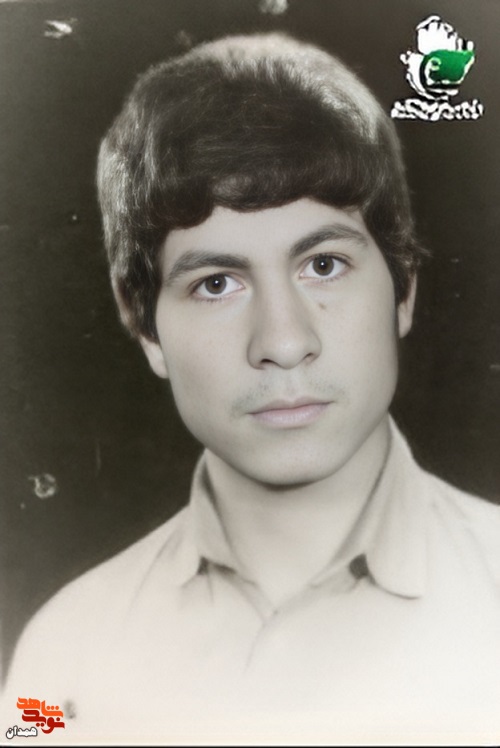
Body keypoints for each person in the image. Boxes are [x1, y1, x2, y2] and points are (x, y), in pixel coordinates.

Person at [2, 32, 500, 745]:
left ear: (403, 290)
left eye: (323, 265)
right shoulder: (61, 664)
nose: (283, 342)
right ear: (145, 328)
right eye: (216, 283)